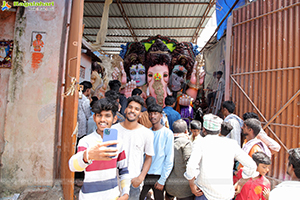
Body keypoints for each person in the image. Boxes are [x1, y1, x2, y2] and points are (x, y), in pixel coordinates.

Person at [184, 113, 257, 200]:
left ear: (203, 130)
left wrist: (192, 185)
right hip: (226, 194)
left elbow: (191, 167)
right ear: (219, 129)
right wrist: (240, 183)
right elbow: (252, 166)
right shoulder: (231, 144)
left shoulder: (200, 143)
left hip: (204, 194)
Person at [69, 98, 130, 200]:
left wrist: (125, 193)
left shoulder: (118, 142)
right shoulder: (85, 141)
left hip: (113, 196)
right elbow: (72, 166)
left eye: (107, 116)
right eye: (99, 115)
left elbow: (123, 171)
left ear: (114, 119)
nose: (102, 120)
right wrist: (87, 155)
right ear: (94, 117)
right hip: (88, 197)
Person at [112, 95, 155, 200]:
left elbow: (149, 157)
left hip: (133, 182)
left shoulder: (147, 133)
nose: (132, 111)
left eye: (137, 109)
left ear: (140, 114)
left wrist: (141, 178)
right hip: (113, 181)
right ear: (125, 109)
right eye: (130, 107)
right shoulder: (113, 130)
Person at [140, 104, 174, 200]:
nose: (152, 116)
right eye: (150, 114)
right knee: (141, 197)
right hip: (146, 174)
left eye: (155, 114)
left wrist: (163, 179)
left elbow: (169, 157)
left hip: (158, 175)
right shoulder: (146, 132)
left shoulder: (167, 133)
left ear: (161, 116)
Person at [165, 119, 194, 200]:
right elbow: (189, 164)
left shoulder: (167, 141)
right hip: (184, 188)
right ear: (186, 131)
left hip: (169, 185)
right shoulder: (186, 143)